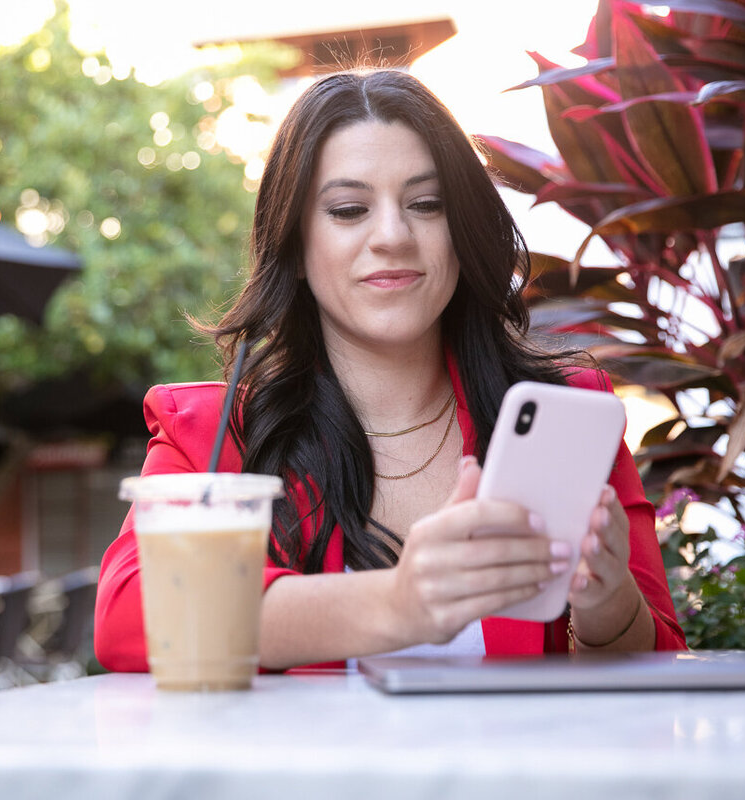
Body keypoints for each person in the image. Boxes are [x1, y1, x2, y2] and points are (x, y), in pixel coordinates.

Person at [95, 68, 686, 672]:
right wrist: (400, 603)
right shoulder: (212, 434)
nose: (393, 235)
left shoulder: (565, 417)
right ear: (294, 247)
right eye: (349, 209)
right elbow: (129, 616)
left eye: (426, 204)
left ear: (461, 231)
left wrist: (608, 607)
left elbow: (664, 669)